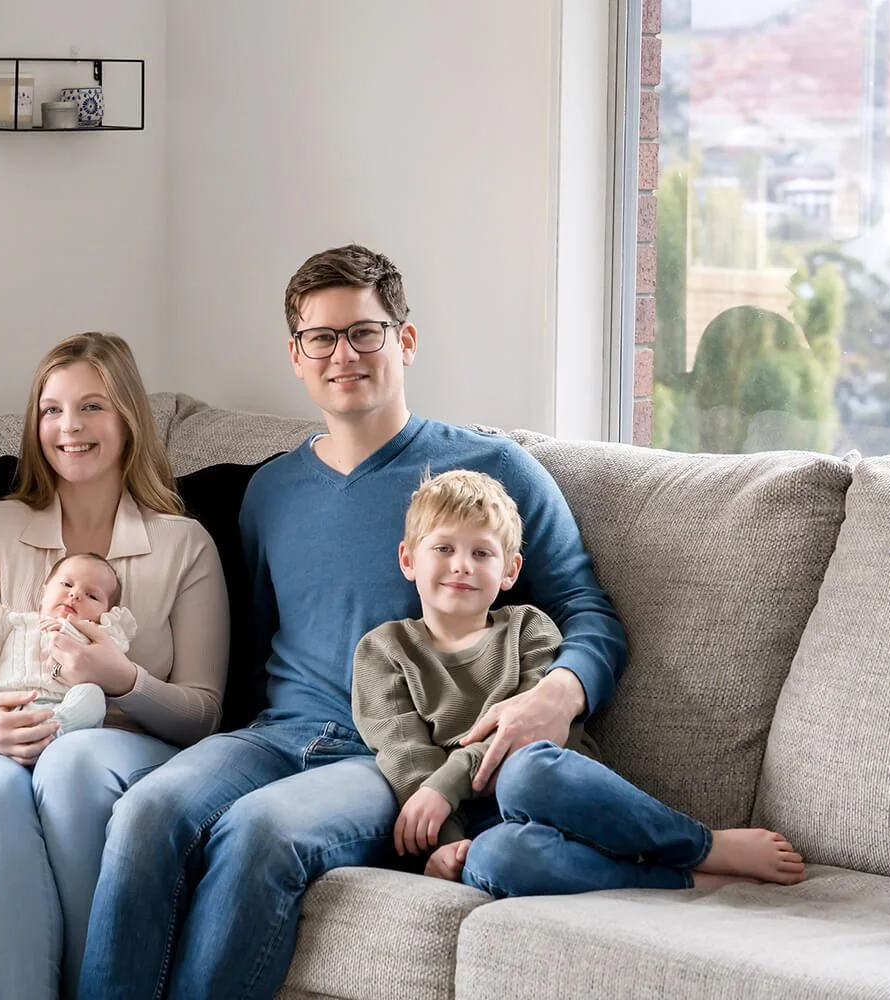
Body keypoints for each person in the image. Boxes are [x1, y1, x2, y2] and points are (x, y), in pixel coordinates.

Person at [78, 244, 630, 1000]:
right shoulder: (269, 491)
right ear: (297, 357)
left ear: (404, 340)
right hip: (273, 735)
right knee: (143, 811)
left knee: (260, 834)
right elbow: (259, 645)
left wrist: (558, 696)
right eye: (321, 338)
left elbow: (586, 607)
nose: (344, 354)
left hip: (386, 755)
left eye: (364, 332)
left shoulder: (492, 469)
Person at [0, 333, 229, 1000]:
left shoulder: (184, 544)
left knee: (72, 764)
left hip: (118, 740)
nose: (70, 428)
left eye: (92, 407)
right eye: (51, 409)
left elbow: (203, 712)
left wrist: (124, 680)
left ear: (129, 419)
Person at [352, 469, 805, 894]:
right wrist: (444, 843)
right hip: (484, 831)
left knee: (524, 771)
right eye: (444, 549)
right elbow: (406, 757)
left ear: (510, 570)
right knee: (494, 861)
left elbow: (531, 735)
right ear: (409, 559)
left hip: (562, 799)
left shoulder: (529, 630)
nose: (462, 565)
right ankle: (681, 879)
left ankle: (702, 845)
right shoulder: (384, 651)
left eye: (482, 553)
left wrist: (447, 783)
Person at [0, 551, 138, 735]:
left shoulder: (96, 638)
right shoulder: (13, 623)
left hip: (61, 706)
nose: (75, 594)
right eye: (67, 584)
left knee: (93, 695)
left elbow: (112, 659)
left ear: (104, 613)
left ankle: (54, 727)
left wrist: (70, 629)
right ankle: (37, 732)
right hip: (5, 707)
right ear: (44, 593)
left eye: (92, 596)